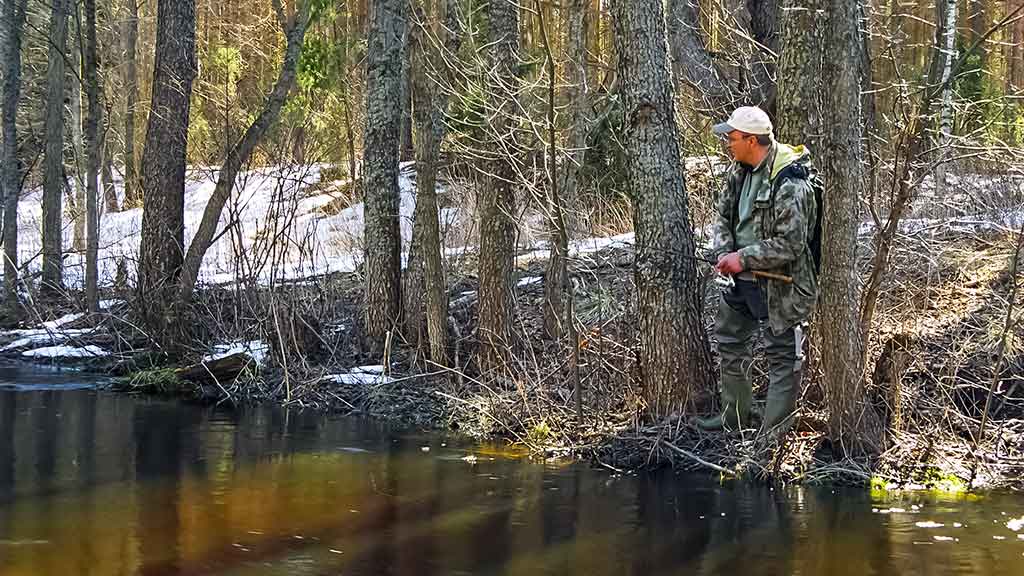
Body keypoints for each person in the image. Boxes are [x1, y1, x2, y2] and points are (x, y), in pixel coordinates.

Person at [696, 106, 819, 434]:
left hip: (781, 286)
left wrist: (744, 258)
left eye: (732, 138)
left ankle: (769, 441)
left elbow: (791, 245)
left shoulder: (791, 182)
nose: (728, 144)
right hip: (740, 282)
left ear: (751, 140)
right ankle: (733, 418)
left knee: (782, 360)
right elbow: (722, 216)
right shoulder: (739, 171)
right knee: (729, 341)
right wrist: (724, 252)